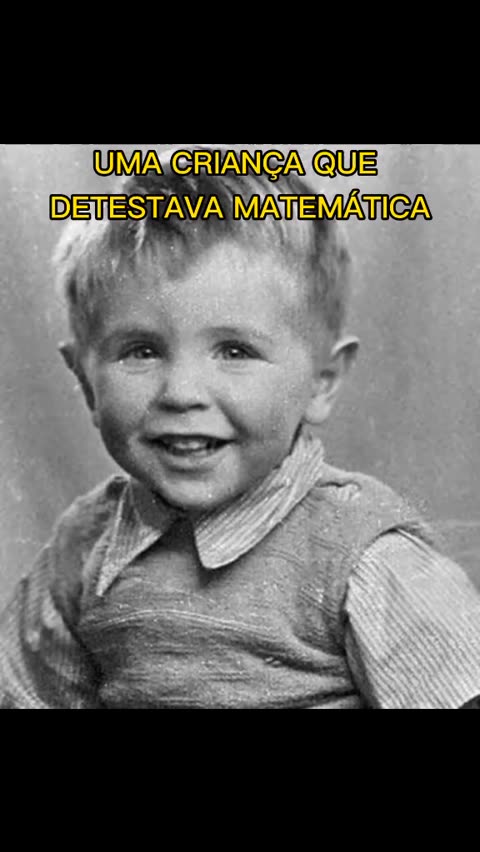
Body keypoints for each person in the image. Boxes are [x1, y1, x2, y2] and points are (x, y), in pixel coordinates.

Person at [1, 151, 480, 709]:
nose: (182, 392)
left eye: (235, 351)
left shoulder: (364, 554)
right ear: (85, 381)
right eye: (141, 351)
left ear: (321, 382)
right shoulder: (83, 546)